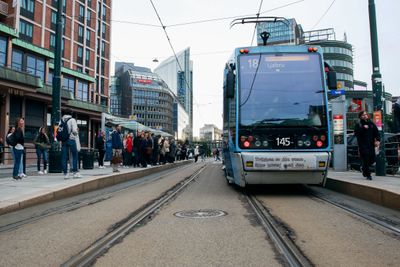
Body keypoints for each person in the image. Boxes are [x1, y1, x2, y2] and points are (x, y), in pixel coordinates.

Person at [354, 110, 380, 180]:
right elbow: (356, 134)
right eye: (363, 115)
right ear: (360, 117)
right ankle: (368, 175)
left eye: (365, 114)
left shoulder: (371, 124)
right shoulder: (358, 124)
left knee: (372, 159)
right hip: (362, 145)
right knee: (366, 159)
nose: (365, 116)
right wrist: (363, 128)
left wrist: (377, 140)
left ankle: (363, 169)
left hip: (371, 145)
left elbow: (376, 133)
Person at [60, 109, 81, 179]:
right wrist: (77, 131)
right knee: (74, 156)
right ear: (71, 114)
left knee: (64, 157)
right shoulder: (72, 120)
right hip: (71, 139)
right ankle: (75, 172)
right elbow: (75, 131)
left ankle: (66, 174)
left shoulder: (61, 120)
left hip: (64, 141)